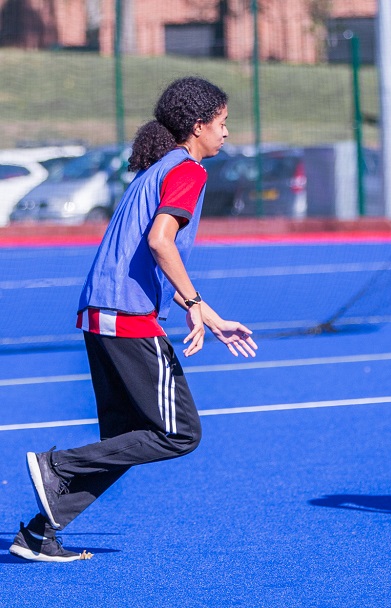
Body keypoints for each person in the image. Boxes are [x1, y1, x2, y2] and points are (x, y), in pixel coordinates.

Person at [9, 77, 258, 562]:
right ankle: (56, 466)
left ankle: (39, 533)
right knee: (179, 433)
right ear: (198, 125)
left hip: (98, 313)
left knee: (126, 441)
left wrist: (214, 316)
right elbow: (161, 242)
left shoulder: (153, 172)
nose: (227, 134)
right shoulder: (187, 171)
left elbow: (151, 255)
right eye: (223, 124)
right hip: (129, 317)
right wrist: (191, 306)